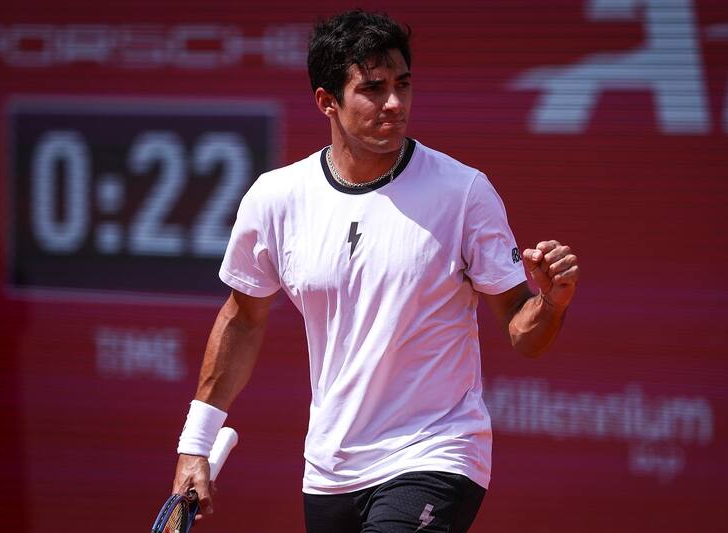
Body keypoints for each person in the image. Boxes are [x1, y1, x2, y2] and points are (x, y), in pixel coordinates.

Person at [171, 9, 579, 533]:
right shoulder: (275, 200)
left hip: (436, 454)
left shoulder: (464, 193)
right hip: (330, 472)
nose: (394, 104)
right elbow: (244, 319)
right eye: (373, 89)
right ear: (328, 102)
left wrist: (551, 303)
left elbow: (525, 335)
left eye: (403, 85)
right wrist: (194, 446)